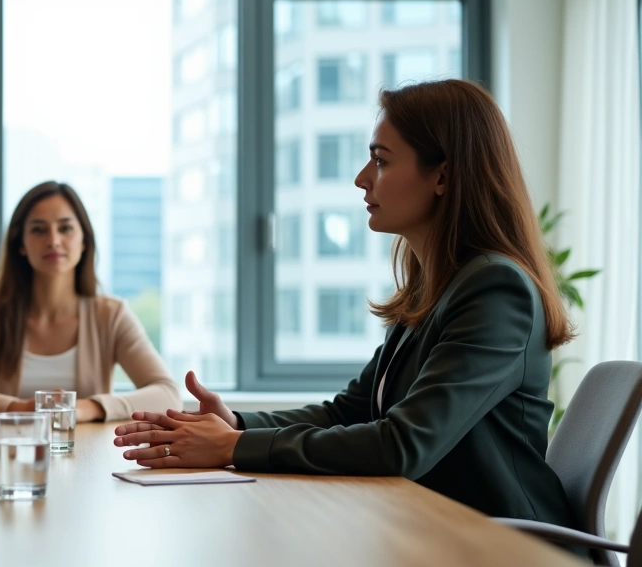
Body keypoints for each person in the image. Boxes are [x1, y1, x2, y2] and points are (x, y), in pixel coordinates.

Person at [115, 79, 577, 527]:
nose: (361, 179)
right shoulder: (436, 288)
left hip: (505, 549)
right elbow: (349, 412)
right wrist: (235, 423)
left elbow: (402, 445)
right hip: (430, 531)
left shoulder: (495, 289)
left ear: (442, 175)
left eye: (381, 161)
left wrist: (233, 447)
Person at [0, 181, 181, 422]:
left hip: (89, 458)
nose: (53, 240)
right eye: (39, 230)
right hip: (5, 457)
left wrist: (88, 408)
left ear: (84, 240)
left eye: (65, 228)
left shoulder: (111, 315)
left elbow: (168, 395)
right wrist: (20, 408)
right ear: (20, 244)